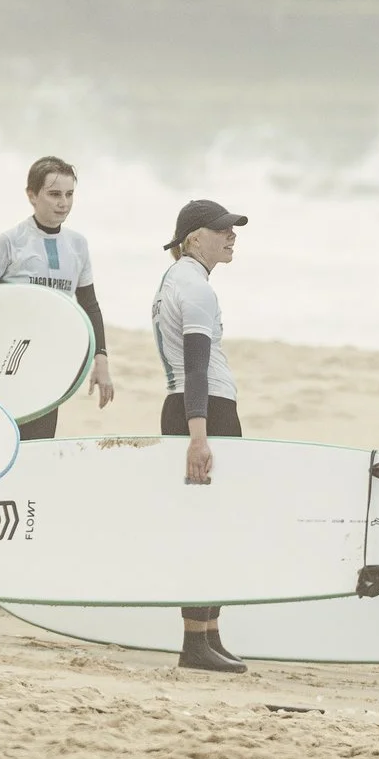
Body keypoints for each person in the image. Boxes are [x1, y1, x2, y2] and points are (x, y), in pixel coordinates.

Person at [0, 156, 114, 438]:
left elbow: (89, 305)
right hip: (8, 357)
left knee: (39, 440)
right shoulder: (11, 241)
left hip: (49, 359)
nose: (64, 203)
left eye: (69, 194)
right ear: (32, 195)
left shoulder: (78, 245)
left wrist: (101, 360)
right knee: (1, 436)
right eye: (54, 194)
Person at [153, 198, 248, 674]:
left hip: (192, 407)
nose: (232, 236)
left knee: (211, 523)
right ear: (194, 239)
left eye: (232, 229)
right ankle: (195, 642)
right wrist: (198, 436)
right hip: (203, 410)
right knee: (206, 527)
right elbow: (195, 367)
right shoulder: (195, 288)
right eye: (222, 229)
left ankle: (208, 634)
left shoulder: (176, 280)